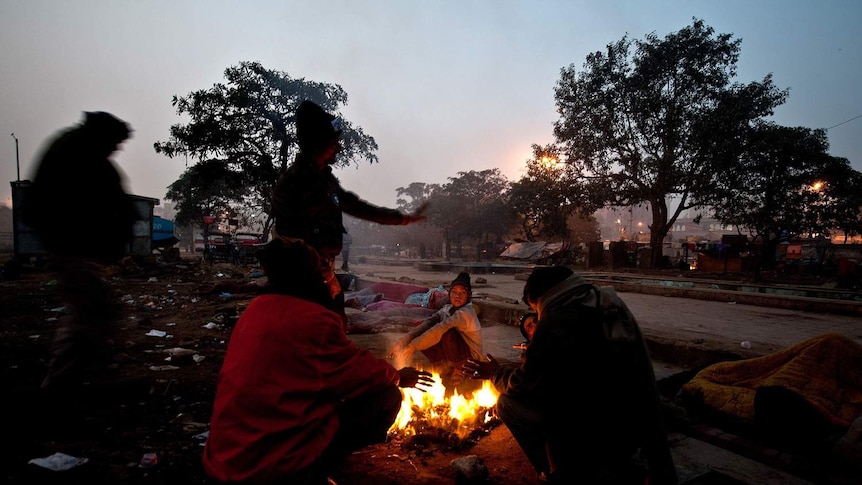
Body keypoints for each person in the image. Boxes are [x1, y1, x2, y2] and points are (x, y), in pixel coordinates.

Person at [202, 238, 433, 484]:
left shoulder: (256, 309)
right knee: (386, 397)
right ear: (310, 278)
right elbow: (358, 372)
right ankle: (313, 471)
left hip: (225, 455)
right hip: (268, 466)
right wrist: (398, 376)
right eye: (323, 273)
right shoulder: (312, 319)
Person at [462, 266, 678, 484]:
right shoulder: (610, 303)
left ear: (538, 299)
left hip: (591, 435)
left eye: (534, 309)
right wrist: (660, 463)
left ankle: (554, 472)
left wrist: (495, 372)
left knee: (507, 403)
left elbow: (522, 385)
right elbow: (643, 378)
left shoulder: (555, 322)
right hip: (631, 428)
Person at [271, 100, 427, 326]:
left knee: (336, 327)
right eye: (334, 142)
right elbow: (290, 239)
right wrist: (322, 273)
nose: (339, 147)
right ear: (318, 143)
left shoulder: (326, 180)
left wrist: (401, 218)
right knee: (313, 332)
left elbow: (357, 207)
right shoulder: (292, 183)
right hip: (302, 280)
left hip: (322, 274)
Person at [22, 111, 136, 393]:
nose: (117, 149)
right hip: (70, 249)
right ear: (104, 136)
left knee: (91, 311)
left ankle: (84, 374)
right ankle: (63, 383)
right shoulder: (76, 156)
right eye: (116, 143)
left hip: (73, 250)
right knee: (90, 313)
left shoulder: (79, 152)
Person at [387, 272, 482, 389]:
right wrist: (402, 342)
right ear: (449, 293)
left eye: (462, 293)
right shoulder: (447, 309)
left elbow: (439, 329)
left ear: (469, 295)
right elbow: (427, 324)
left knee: (444, 333)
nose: (458, 296)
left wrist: (412, 347)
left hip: (470, 360)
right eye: (454, 292)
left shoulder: (465, 314)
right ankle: (445, 369)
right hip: (453, 355)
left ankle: (459, 370)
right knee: (427, 332)